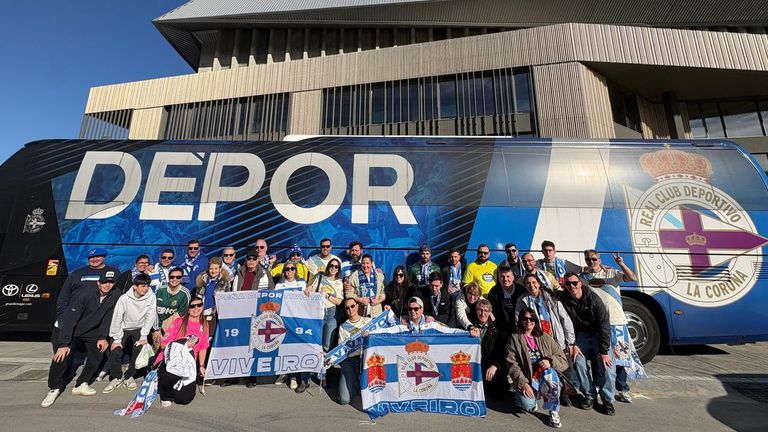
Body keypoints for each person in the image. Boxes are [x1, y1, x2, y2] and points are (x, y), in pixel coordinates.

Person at [41, 271, 120, 408]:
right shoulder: (84, 294)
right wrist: (64, 344)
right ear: (98, 283)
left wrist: (102, 337)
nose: (107, 285)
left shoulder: (115, 294)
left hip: (89, 329)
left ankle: (81, 383)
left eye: (110, 282)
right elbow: (70, 319)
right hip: (68, 327)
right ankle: (54, 388)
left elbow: (108, 316)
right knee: (61, 356)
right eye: (104, 282)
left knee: (99, 350)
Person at [580, 249, 641, 404]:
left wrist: (621, 264)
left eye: (594, 259)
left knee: (621, 358)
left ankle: (623, 388)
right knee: (600, 358)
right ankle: (599, 386)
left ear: (599, 260)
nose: (591, 262)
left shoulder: (611, 273)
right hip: (598, 324)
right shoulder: (584, 278)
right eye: (588, 260)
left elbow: (632, 278)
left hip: (617, 322)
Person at [559, 272, 616, 415]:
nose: (572, 286)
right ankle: (590, 395)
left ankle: (607, 400)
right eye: (568, 283)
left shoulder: (593, 299)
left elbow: (604, 326)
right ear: (564, 285)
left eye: (574, 283)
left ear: (580, 283)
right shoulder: (563, 298)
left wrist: (603, 352)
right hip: (581, 336)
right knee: (578, 362)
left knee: (607, 366)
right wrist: (572, 343)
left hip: (598, 334)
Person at [507, 307, 569, 428]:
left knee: (550, 373)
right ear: (521, 320)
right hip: (528, 379)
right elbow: (512, 364)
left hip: (545, 378)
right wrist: (523, 383)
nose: (528, 321)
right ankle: (522, 397)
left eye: (532, 319)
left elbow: (562, 359)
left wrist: (550, 361)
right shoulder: (514, 338)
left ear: (535, 320)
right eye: (525, 319)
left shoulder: (544, 337)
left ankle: (553, 410)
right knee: (528, 405)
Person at [103, 274, 157, 393]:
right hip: (123, 328)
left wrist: (144, 335)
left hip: (139, 328)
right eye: (142, 286)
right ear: (135, 286)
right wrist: (117, 339)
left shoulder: (151, 297)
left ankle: (129, 376)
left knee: (138, 351)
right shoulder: (124, 298)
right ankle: (116, 377)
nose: (145, 289)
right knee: (116, 351)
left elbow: (150, 316)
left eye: (147, 286)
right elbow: (117, 317)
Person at [154, 296, 209, 406]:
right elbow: (164, 345)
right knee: (170, 377)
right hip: (172, 360)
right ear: (188, 309)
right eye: (192, 306)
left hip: (188, 363)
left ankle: (176, 386)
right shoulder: (179, 322)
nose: (196, 308)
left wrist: (201, 366)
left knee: (184, 399)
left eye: (199, 305)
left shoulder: (204, 325)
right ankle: (166, 395)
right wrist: (184, 345)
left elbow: (203, 347)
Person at [54, 247, 119, 331]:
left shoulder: (114, 272)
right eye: (91, 257)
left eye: (98, 256)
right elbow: (64, 296)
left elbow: (117, 293)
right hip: (77, 316)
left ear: (104, 257)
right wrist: (62, 316)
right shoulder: (77, 273)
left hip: (100, 319)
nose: (94, 259)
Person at [306, 257, 344, 389]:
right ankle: (309, 372)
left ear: (338, 270)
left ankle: (323, 372)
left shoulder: (339, 283)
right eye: (331, 265)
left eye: (336, 267)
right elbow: (310, 289)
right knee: (315, 344)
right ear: (328, 267)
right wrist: (309, 288)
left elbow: (340, 302)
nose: (333, 268)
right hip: (318, 313)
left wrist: (327, 295)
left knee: (327, 345)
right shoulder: (320, 278)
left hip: (331, 314)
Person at [274, 263, 307, 390]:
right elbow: (275, 301)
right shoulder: (279, 285)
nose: (290, 271)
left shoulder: (301, 283)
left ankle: (293, 375)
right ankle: (283, 373)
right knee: (283, 347)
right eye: (287, 269)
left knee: (295, 347)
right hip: (284, 319)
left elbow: (307, 299)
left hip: (297, 319)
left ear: (295, 271)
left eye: (292, 268)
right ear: (284, 271)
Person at [336, 298, 371, 405]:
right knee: (344, 400)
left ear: (357, 306)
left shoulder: (368, 321)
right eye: (347, 308)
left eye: (352, 306)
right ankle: (354, 384)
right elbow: (341, 349)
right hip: (350, 361)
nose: (350, 309)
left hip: (366, 360)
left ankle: (358, 383)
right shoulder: (343, 327)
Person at [472, 298, 509, 396]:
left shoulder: (497, 328)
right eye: (480, 310)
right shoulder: (470, 325)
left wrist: (495, 365)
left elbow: (502, 349)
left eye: (486, 311)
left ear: (489, 312)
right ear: (476, 310)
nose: (482, 314)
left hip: (490, 365)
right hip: (475, 364)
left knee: (499, 393)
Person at [487, 265, 525, 334]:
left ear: (513, 277)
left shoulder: (520, 290)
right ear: (499, 278)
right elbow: (490, 309)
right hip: (501, 328)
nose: (505, 279)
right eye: (502, 277)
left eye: (508, 276)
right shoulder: (494, 292)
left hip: (520, 327)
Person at [195, 257, 232, 322]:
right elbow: (198, 297)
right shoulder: (202, 280)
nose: (213, 271)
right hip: (203, 311)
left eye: (216, 268)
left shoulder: (224, 282)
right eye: (211, 269)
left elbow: (227, 299)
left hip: (217, 312)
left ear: (220, 269)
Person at [155, 266, 191, 331]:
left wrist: (166, 329)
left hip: (174, 328)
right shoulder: (160, 290)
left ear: (181, 278)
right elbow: (153, 311)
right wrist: (156, 329)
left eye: (178, 277)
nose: (174, 279)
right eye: (172, 277)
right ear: (168, 278)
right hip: (157, 326)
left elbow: (182, 314)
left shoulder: (185, 293)